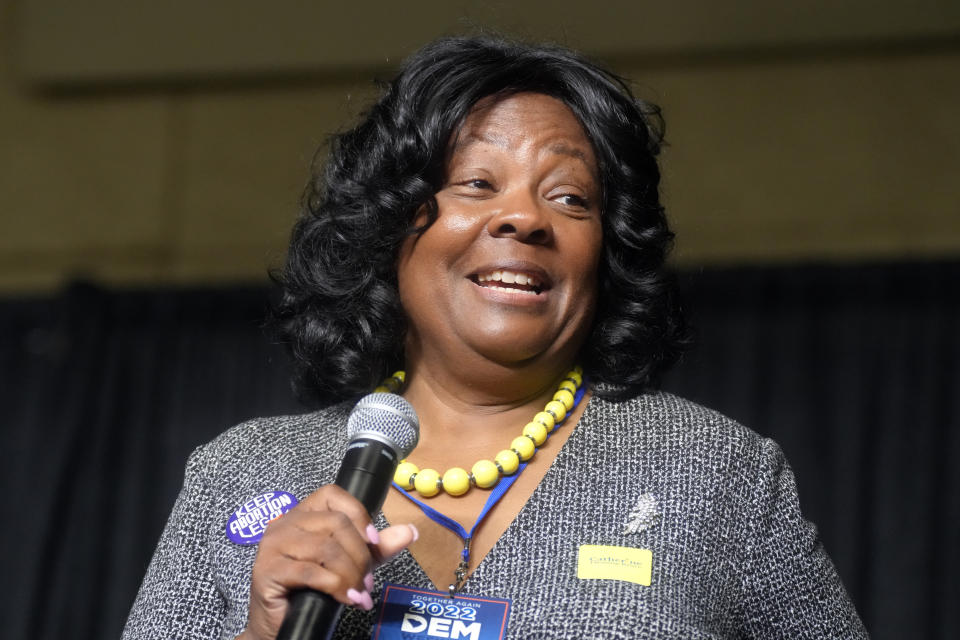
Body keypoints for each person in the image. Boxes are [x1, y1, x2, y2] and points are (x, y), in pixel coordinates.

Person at [123, 36, 867, 639]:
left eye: (570, 197)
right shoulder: (242, 474)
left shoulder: (715, 473)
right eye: (477, 184)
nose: (524, 218)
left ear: (605, 253)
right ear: (390, 228)